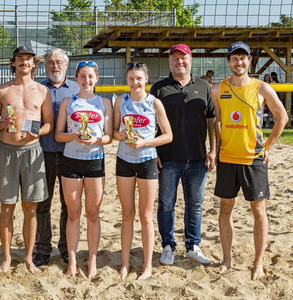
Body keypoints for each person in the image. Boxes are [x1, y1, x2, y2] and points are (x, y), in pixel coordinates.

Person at [210, 41, 288, 281]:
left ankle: (258, 263)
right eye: (234, 58)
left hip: (253, 158)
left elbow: (282, 117)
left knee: (258, 211)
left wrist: (268, 147)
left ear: (249, 60)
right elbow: (216, 122)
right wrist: (214, 150)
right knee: (225, 210)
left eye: (243, 58)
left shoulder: (261, 88)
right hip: (227, 158)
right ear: (229, 62)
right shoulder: (217, 89)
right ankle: (227, 260)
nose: (239, 62)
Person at [0, 46, 54, 275]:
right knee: (6, 208)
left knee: (31, 208)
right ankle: (6, 258)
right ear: (13, 63)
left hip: (32, 151)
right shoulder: (2, 90)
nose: (24, 62)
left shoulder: (43, 91)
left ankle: (28, 258)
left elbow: (48, 123)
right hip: (7, 151)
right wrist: (2, 123)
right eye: (20, 58)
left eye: (28, 59)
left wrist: (41, 132)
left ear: (34, 64)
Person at [150, 44, 216, 267]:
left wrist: (213, 150)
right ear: (170, 61)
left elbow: (211, 121)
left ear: (191, 59)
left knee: (195, 205)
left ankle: (192, 246)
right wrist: (154, 152)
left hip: (197, 157)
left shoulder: (204, 87)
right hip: (168, 157)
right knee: (166, 204)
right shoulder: (159, 88)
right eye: (175, 58)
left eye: (183, 58)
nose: (179, 62)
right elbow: (151, 125)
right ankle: (168, 246)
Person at [113, 62, 172, 280]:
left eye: (139, 78)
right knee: (127, 214)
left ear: (146, 79)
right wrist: (121, 135)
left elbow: (168, 135)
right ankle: (125, 264)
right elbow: (112, 132)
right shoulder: (120, 100)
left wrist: (145, 143)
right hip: (124, 160)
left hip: (147, 161)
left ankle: (147, 266)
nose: (135, 82)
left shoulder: (155, 103)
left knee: (146, 216)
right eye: (131, 79)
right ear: (126, 80)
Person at [55, 61, 113, 279]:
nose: (87, 80)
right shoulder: (68, 102)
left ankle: (92, 261)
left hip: (95, 161)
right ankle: (72, 261)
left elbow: (108, 136)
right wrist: (74, 136)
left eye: (90, 76)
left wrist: (97, 139)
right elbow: (59, 135)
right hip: (70, 161)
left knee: (93, 213)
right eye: (82, 76)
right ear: (76, 79)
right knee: (73, 213)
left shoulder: (104, 102)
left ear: (97, 79)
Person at [33, 48, 79, 267]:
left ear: (66, 65)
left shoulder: (79, 88)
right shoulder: (38, 89)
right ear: (45, 66)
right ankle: (42, 248)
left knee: (68, 205)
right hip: (43, 153)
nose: (55, 66)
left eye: (59, 62)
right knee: (42, 203)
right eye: (50, 62)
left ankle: (65, 247)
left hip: (72, 154)